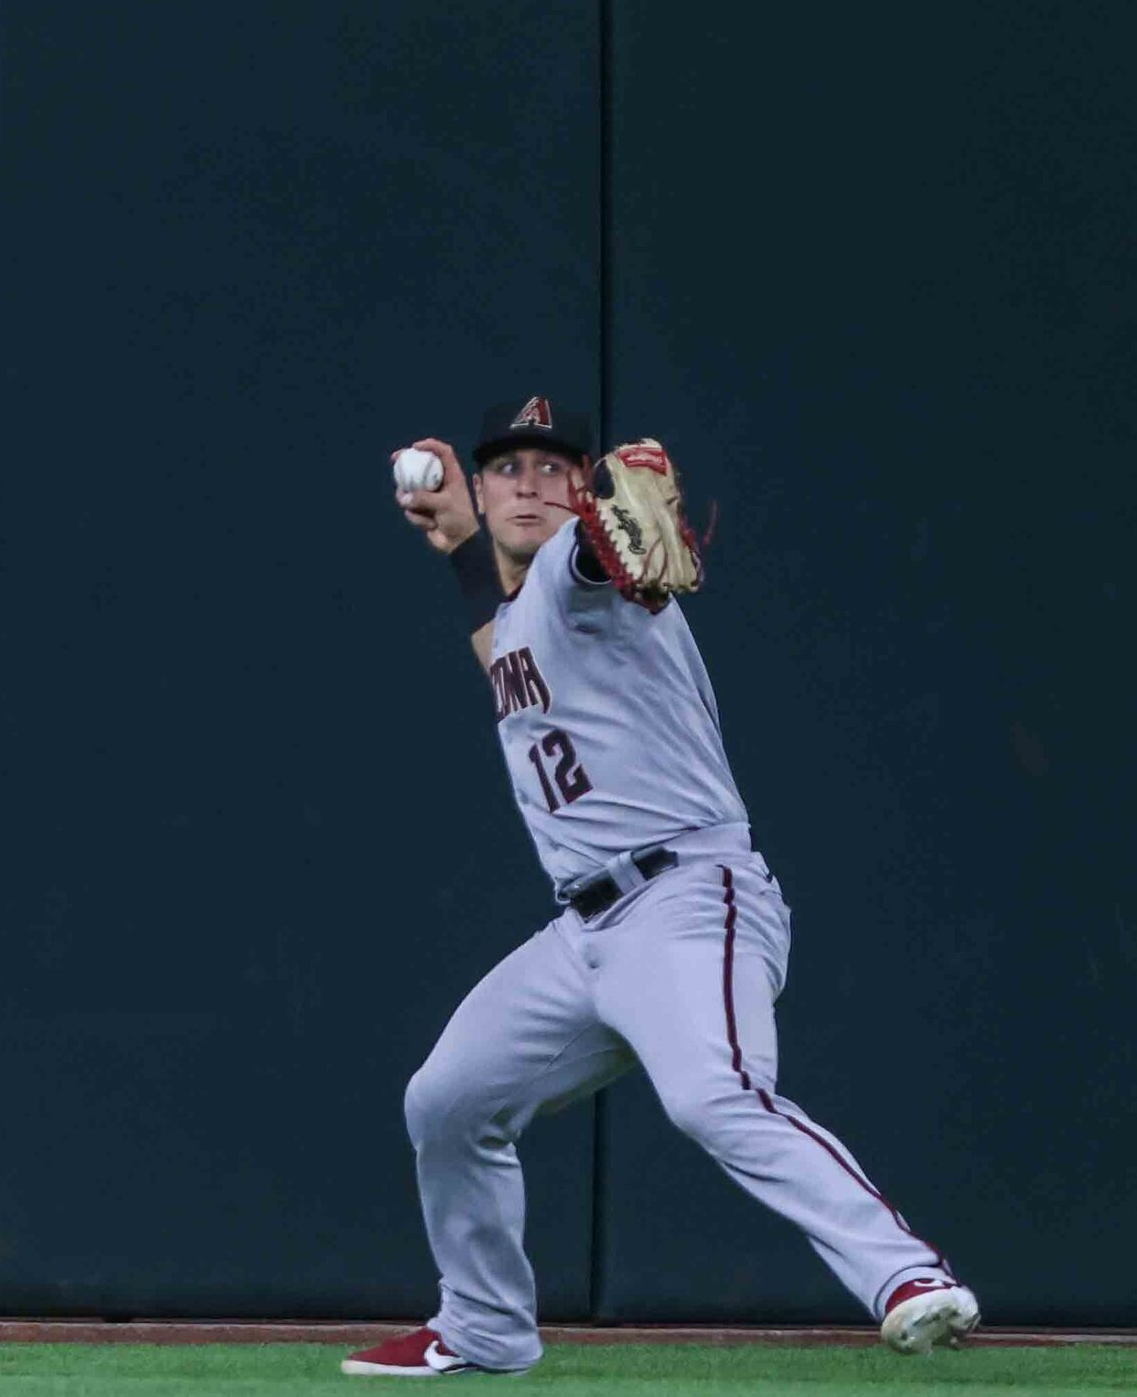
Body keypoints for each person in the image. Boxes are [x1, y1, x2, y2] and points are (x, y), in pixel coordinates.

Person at [341, 396, 977, 1378]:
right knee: (449, 1102)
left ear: (583, 488)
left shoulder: (572, 568)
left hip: (689, 894)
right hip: (584, 934)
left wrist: (605, 531)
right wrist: (465, 546)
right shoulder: (519, 617)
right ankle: (483, 1328)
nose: (528, 483)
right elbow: (502, 650)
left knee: (712, 1095)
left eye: (553, 470)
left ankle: (907, 1275)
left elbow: (599, 560)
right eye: (506, 468)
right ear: (476, 485)